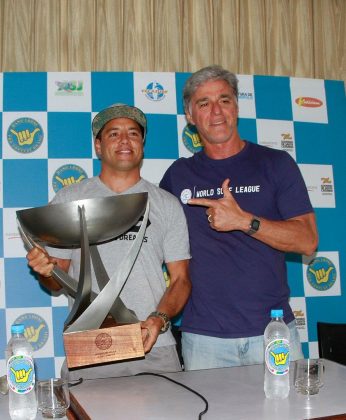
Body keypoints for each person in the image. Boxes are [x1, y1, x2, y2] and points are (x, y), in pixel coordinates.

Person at [160, 65, 318, 370]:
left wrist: (245, 221)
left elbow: (308, 241)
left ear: (236, 106)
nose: (216, 111)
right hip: (204, 339)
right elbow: (146, 237)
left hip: (272, 333)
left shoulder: (276, 164)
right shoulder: (178, 175)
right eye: (203, 103)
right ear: (190, 116)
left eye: (225, 99)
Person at [26, 103, 191, 379]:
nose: (125, 140)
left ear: (142, 145)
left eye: (133, 133)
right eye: (114, 134)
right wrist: (46, 270)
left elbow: (181, 280)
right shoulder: (69, 200)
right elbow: (56, 281)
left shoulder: (166, 204)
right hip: (90, 349)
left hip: (154, 348)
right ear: (98, 146)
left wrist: (159, 320)